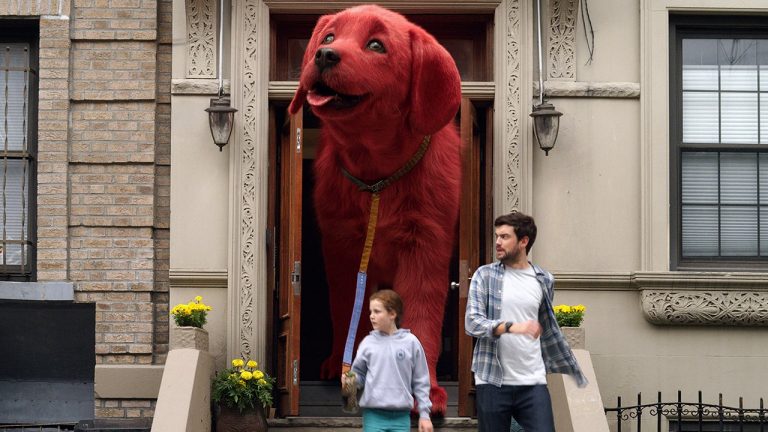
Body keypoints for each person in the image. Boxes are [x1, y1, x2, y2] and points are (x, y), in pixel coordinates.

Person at [465, 211, 587, 432]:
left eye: (504, 237)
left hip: (532, 380)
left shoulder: (544, 279)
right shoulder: (484, 276)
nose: (498, 243)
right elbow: (472, 323)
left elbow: (547, 326)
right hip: (492, 379)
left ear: (523, 241)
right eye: (497, 236)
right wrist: (511, 327)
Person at [342, 289, 433, 432]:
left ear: (392, 314)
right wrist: (351, 380)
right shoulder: (367, 343)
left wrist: (424, 414)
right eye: (370, 312)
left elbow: (421, 381)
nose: (372, 316)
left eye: (377, 312)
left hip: (401, 417)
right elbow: (359, 375)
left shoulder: (411, 343)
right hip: (373, 416)